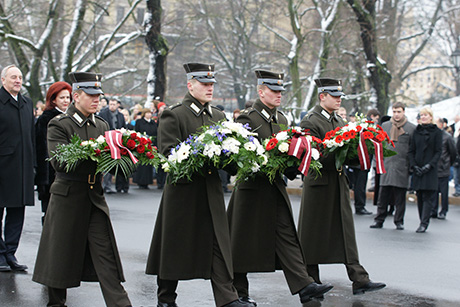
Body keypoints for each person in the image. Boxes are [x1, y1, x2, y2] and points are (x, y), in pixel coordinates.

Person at [145, 63, 252, 307]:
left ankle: (227, 298)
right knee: (174, 245)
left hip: (211, 190)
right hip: (183, 192)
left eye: (212, 84)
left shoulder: (218, 116)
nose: (209, 88)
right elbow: (168, 153)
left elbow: (228, 156)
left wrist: (240, 158)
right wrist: (203, 152)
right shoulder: (174, 114)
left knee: (218, 244)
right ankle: (166, 299)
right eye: (204, 83)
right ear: (190, 85)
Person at [227, 70, 333, 306]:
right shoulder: (247, 119)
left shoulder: (282, 119)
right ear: (260, 91)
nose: (278, 95)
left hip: (275, 188)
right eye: (274, 91)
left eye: (280, 91)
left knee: (288, 237)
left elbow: (285, 153)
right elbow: (242, 157)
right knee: (241, 242)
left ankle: (304, 286)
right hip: (251, 190)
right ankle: (239, 293)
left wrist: (293, 166)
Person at [32, 72, 132, 307]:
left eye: (99, 95)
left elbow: (113, 158)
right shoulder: (59, 124)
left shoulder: (102, 124)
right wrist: (98, 155)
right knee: (60, 255)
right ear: (76, 96)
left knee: (105, 253)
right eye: (91, 95)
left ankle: (121, 304)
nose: (97, 99)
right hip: (68, 197)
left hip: (94, 197)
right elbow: (60, 162)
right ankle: (56, 303)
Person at [298, 78, 385, 295]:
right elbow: (314, 156)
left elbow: (345, 154)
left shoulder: (338, 119)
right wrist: (342, 150)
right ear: (322, 96)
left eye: (340, 97)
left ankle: (359, 278)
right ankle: (310, 281)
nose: (338, 100)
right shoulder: (311, 121)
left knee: (346, 232)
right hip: (319, 183)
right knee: (312, 235)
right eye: (334, 96)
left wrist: (363, 151)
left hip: (338, 182)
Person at [0, 65, 35, 272]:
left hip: (22, 166)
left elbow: (30, 135)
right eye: (13, 77)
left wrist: (34, 165)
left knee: (17, 212)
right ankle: (0, 254)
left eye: (20, 77)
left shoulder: (26, 103)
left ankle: (10, 252)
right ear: (3, 80)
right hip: (3, 166)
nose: (18, 80)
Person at [370, 102, 416, 230]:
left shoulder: (411, 128)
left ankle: (399, 221)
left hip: (402, 166)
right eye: (394, 111)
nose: (396, 114)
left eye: (399, 112)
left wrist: (410, 166)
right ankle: (379, 219)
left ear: (403, 112)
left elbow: (413, 148)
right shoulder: (385, 126)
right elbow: (378, 145)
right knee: (383, 195)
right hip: (387, 165)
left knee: (400, 196)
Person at [35, 81, 72, 224]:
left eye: (67, 97)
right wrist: (42, 179)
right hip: (50, 173)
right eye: (62, 98)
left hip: (66, 174)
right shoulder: (46, 118)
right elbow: (41, 149)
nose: (65, 101)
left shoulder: (70, 117)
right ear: (53, 99)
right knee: (51, 215)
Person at [408, 106, 442, 233]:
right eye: (421, 115)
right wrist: (414, 165)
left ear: (431, 117)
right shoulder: (416, 131)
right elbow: (411, 150)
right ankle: (422, 219)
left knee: (428, 196)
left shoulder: (437, 132)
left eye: (425, 115)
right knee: (420, 195)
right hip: (418, 168)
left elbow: (438, 152)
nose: (423, 117)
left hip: (430, 169)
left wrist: (430, 165)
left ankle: (424, 222)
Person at [99, 97, 128, 194]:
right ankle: (106, 186)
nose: (112, 106)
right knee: (108, 164)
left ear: (117, 105)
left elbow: (124, 127)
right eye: (110, 104)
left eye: (114, 104)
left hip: (118, 142)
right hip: (107, 141)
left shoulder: (120, 115)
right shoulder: (103, 114)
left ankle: (118, 186)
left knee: (116, 164)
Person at [431, 117, 456, 220]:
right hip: (434, 167)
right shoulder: (433, 136)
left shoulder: (447, 137)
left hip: (443, 167)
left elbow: (453, 152)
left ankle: (443, 211)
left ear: (441, 125)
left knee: (444, 192)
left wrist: (448, 163)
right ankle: (433, 210)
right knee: (434, 191)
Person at [133, 108, 158, 189]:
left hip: (150, 145)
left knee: (148, 164)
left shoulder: (153, 123)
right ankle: (140, 181)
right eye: (147, 113)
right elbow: (136, 132)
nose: (149, 115)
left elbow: (155, 133)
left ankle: (147, 181)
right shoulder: (139, 122)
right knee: (141, 164)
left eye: (150, 113)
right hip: (141, 145)